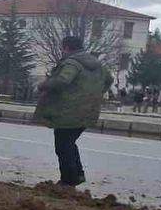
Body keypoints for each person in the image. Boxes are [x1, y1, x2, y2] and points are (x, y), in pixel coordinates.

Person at [33, 36, 112, 187]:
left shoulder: (72, 63)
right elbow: (109, 80)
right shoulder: (97, 65)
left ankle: (68, 180)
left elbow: (63, 80)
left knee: (62, 145)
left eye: (62, 48)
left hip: (69, 111)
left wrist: (43, 85)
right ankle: (76, 175)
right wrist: (94, 93)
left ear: (67, 47)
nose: (62, 51)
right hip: (89, 110)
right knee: (68, 143)